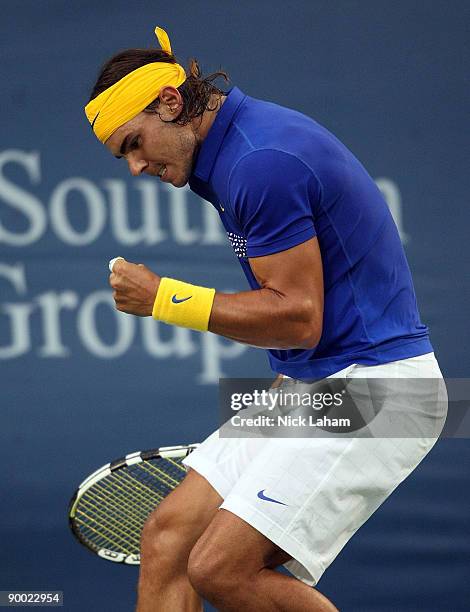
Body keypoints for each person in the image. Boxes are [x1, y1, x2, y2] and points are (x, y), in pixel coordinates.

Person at [85, 26, 447, 612]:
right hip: (315, 382)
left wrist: (163, 299)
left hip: (383, 391)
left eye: (133, 143)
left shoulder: (258, 162)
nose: (134, 166)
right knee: (168, 540)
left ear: (170, 103)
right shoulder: (226, 150)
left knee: (221, 570)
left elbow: (298, 317)